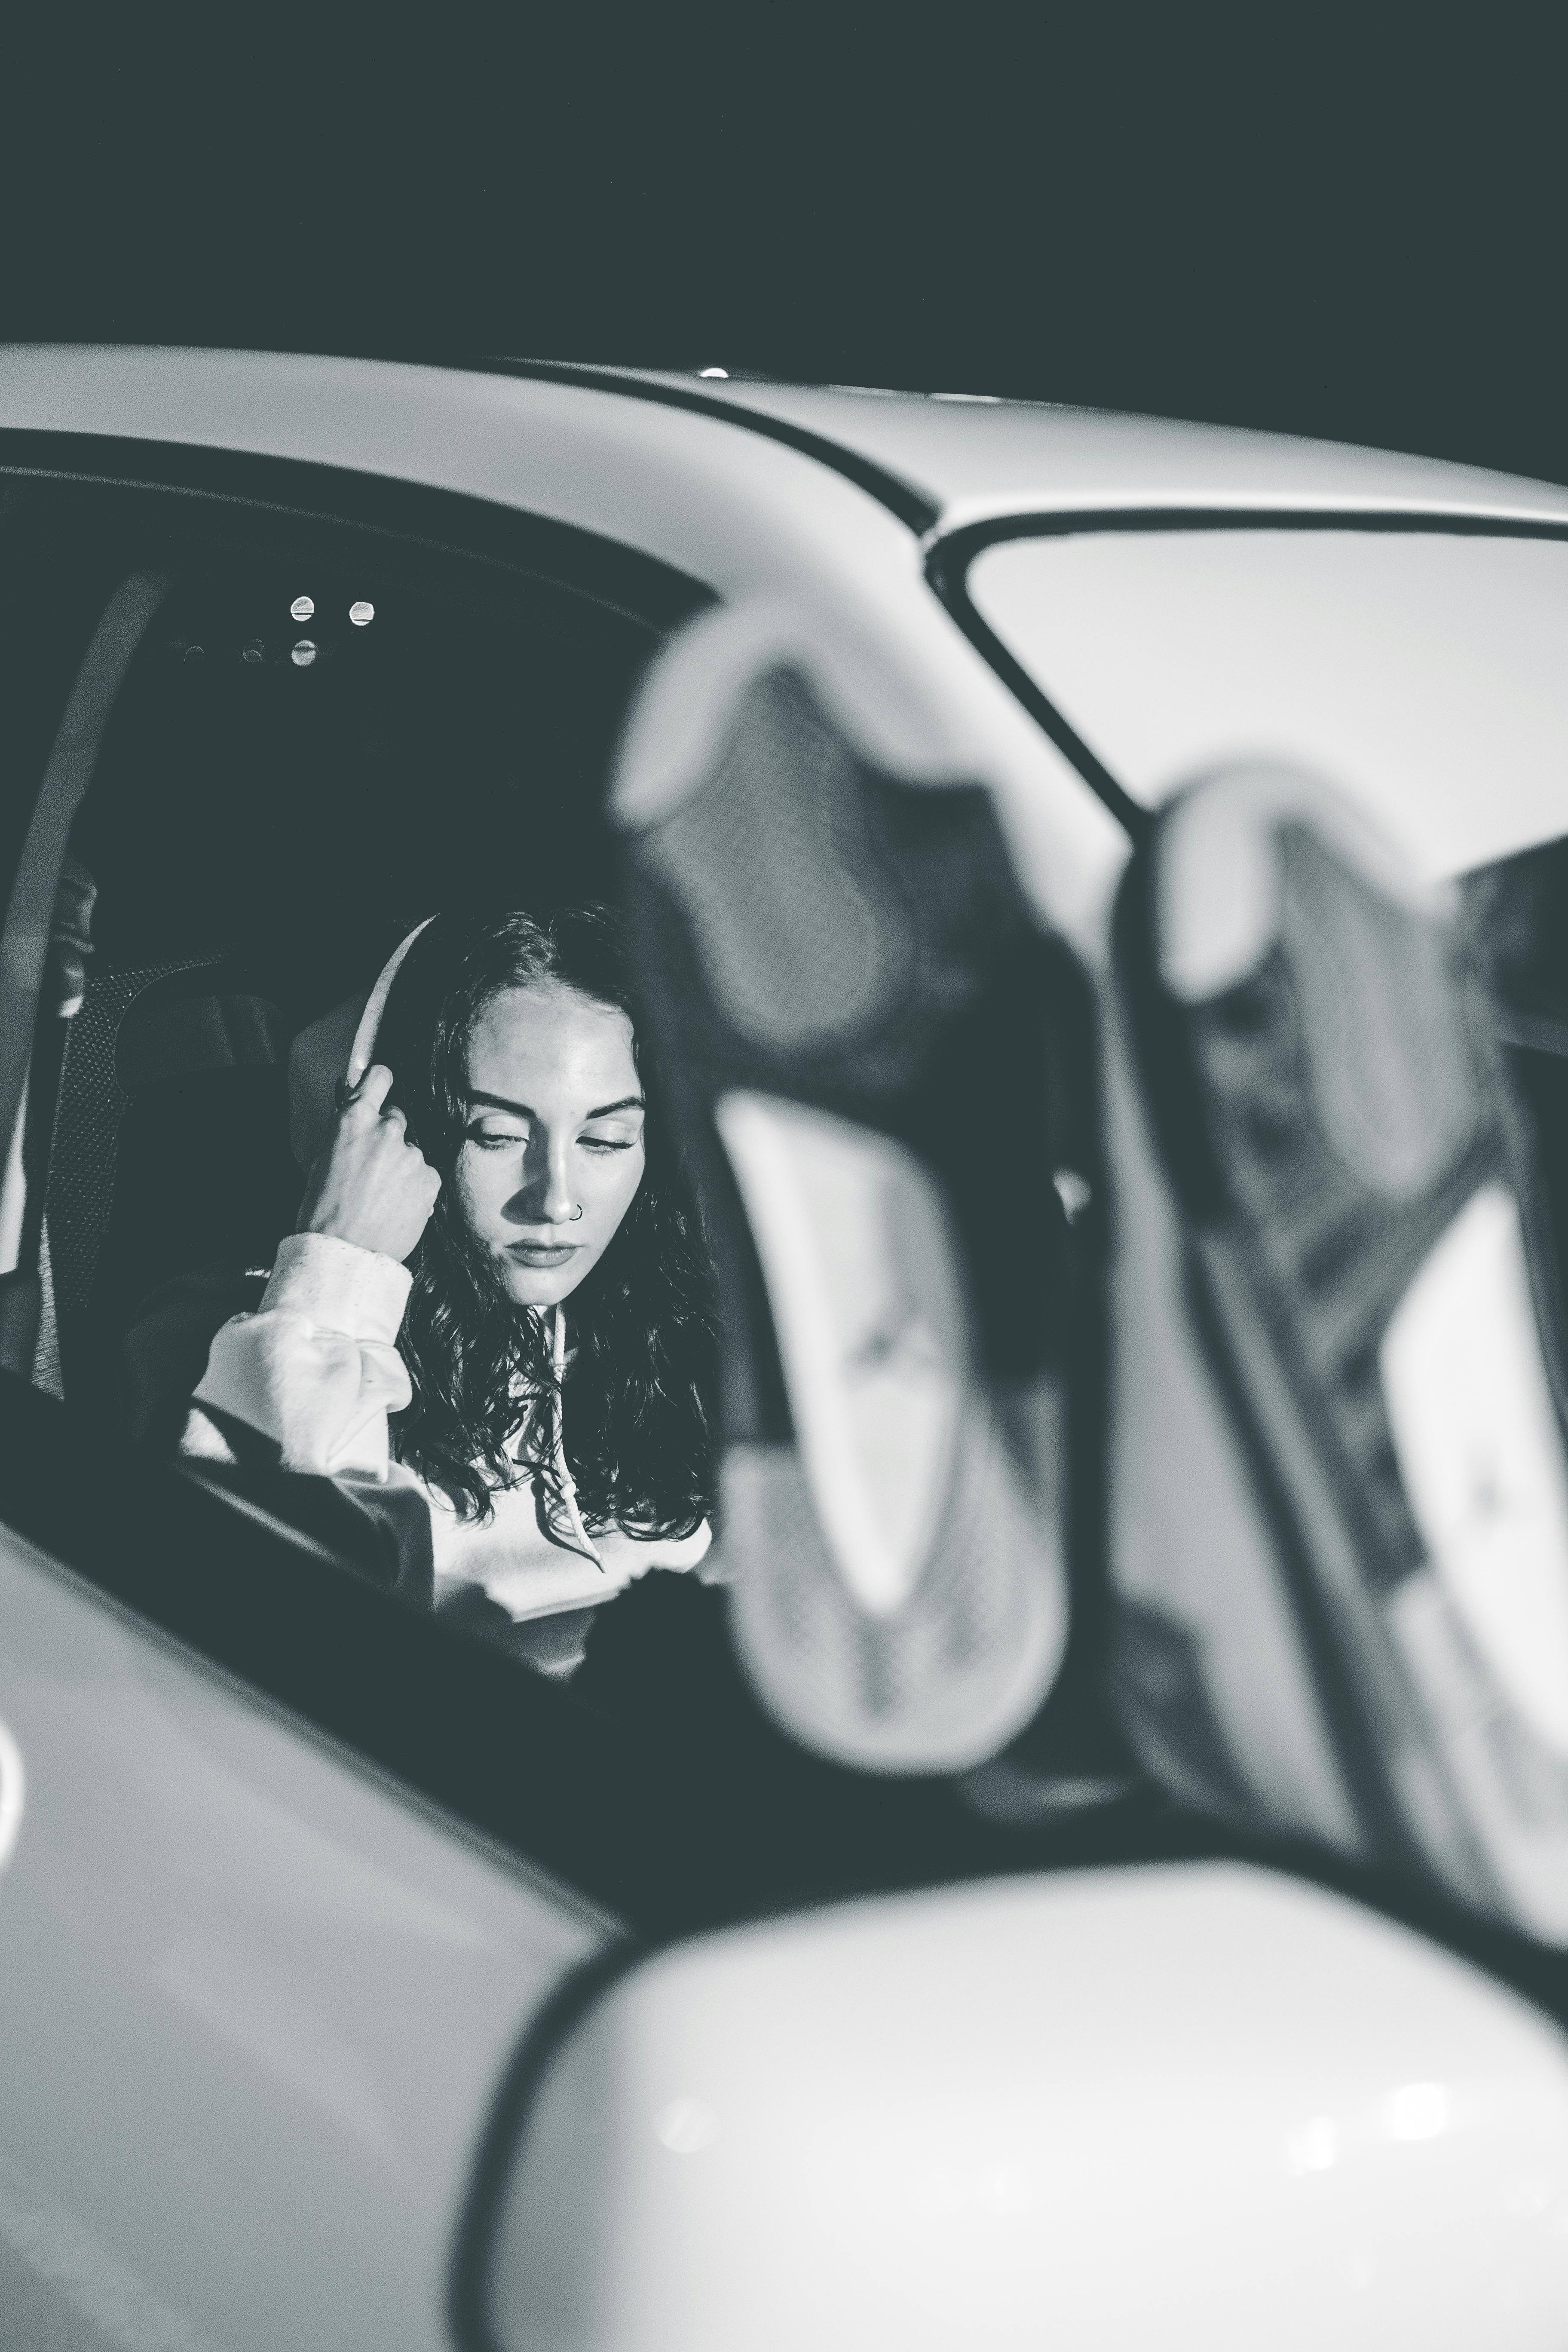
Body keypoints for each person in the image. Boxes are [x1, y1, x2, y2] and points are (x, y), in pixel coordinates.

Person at [177, 904, 721, 1677]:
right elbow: (282, 1644)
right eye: (496, 1135)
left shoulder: (676, 1332)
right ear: (392, 1127)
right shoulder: (236, 1334)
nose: (557, 1200)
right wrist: (336, 1275)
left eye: (607, 1139)